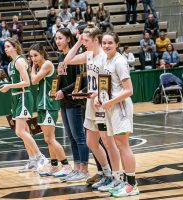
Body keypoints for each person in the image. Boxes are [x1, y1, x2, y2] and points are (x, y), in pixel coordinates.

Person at [64, 24, 121, 189]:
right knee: (91, 142)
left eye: (87, 40)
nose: (84, 43)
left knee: (108, 142)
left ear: (96, 40)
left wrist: (97, 95)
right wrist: (78, 42)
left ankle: (116, 177)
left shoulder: (104, 56)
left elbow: (108, 83)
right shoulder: (88, 54)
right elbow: (68, 60)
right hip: (91, 103)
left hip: (102, 102)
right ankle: (106, 173)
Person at [99, 31, 139, 197]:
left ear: (116, 44)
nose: (107, 45)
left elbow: (129, 90)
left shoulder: (120, 61)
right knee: (119, 145)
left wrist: (110, 101)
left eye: (110, 43)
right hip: (111, 107)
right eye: (104, 43)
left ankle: (132, 184)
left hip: (120, 108)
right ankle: (125, 181)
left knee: (123, 145)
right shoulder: (106, 60)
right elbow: (107, 87)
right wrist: (99, 99)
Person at [0, 37, 48, 172]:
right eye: (5, 47)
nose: (6, 49)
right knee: (25, 131)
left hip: (24, 96)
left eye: (8, 46)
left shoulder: (20, 61)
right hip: (16, 97)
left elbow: (27, 82)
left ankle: (40, 156)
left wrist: (9, 86)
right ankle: (32, 160)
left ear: (15, 47)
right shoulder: (10, 64)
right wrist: (10, 89)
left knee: (19, 131)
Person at [29, 43, 72, 177]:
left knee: (51, 139)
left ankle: (66, 165)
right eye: (31, 57)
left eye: (35, 55)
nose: (33, 59)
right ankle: (54, 166)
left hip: (49, 105)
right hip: (42, 105)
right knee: (48, 139)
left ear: (42, 53)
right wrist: (35, 67)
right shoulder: (40, 66)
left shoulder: (47, 64)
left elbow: (34, 80)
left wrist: (32, 68)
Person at [54, 28, 89, 182]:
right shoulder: (61, 57)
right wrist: (54, 90)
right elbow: (60, 79)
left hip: (75, 101)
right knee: (71, 138)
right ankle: (76, 169)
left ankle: (84, 169)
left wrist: (63, 90)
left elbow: (80, 81)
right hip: (64, 102)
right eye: (56, 38)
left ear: (69, 39)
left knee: (79, 137)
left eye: (60, 38)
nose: (57, 41)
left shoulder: (76, 58)